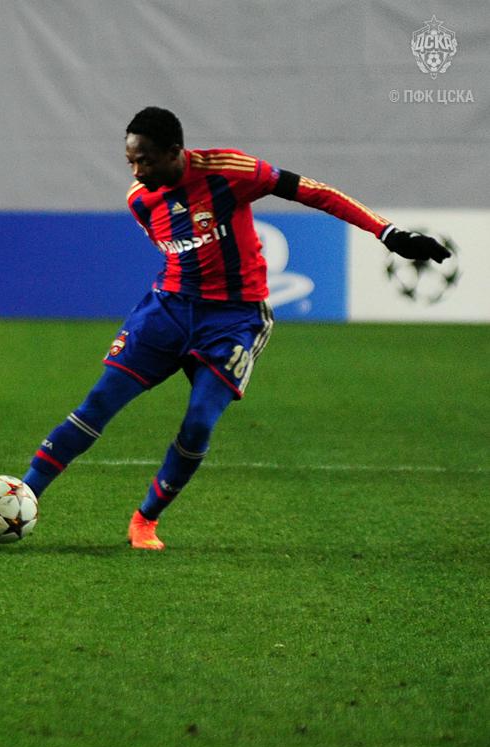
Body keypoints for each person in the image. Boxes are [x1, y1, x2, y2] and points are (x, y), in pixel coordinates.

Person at [22, 106, 451, 550]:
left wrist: (387, 233)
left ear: (174, 151)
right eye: (130, 161)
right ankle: (23, 496)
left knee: (198, 424)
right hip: (168, 311)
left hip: (234, 319)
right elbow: (176, 251)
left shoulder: (230, 171)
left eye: (145, 160)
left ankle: (145, 520)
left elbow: (313, 192)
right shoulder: (141, 200)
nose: (136, 171)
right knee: (98, 402)